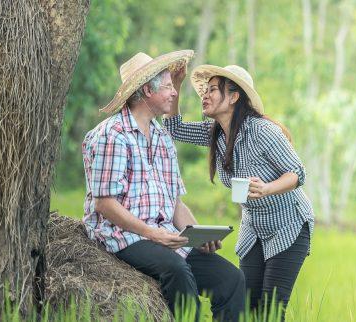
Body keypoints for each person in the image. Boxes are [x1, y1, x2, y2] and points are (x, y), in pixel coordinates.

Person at [81, 51, 244, 321]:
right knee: (177, 270)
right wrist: (153, 234)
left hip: (163, 235)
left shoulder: (162, 137)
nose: (173, 93)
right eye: (168, 86)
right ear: (147, 90)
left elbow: (175, 202)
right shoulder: (112, 135)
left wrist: (199, 233)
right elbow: (105, 204)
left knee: (231, 279)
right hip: (123, 235)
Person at [163, 64, 314, 320]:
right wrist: (176, 85)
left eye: (213, 90)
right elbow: (173, 129)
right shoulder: (216, 134)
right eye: (205, 91)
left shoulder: (262, 131)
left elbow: (297, 173)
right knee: (245, 307)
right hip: (254, 228)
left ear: (233, 97)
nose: (205, 96)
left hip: (288, 225)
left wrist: (267, 188)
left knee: (270, 312)